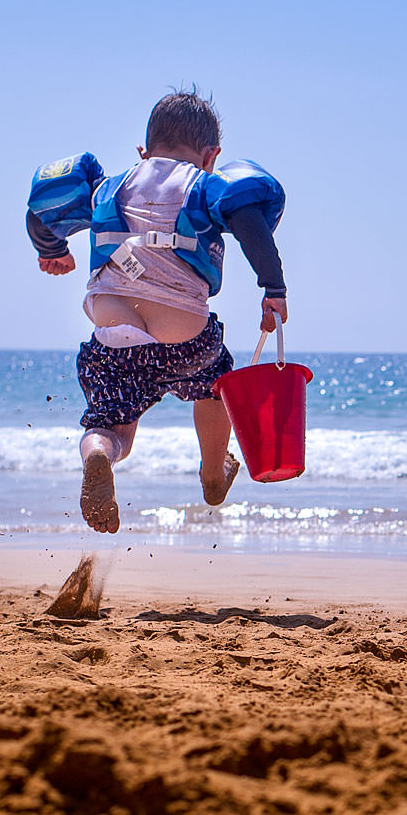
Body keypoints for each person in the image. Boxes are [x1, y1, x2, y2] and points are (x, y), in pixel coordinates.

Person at [26, 89, 289, 533]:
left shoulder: (108, 187)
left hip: (114, 328)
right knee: (215, 384)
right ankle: (212, 471)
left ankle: (98, 455)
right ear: (211, 155)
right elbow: (250, 226)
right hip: (183, 329)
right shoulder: (207, 185)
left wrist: (53, 252)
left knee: (111, 421)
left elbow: (41, 210)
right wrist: (274, 288)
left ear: (142, 151)